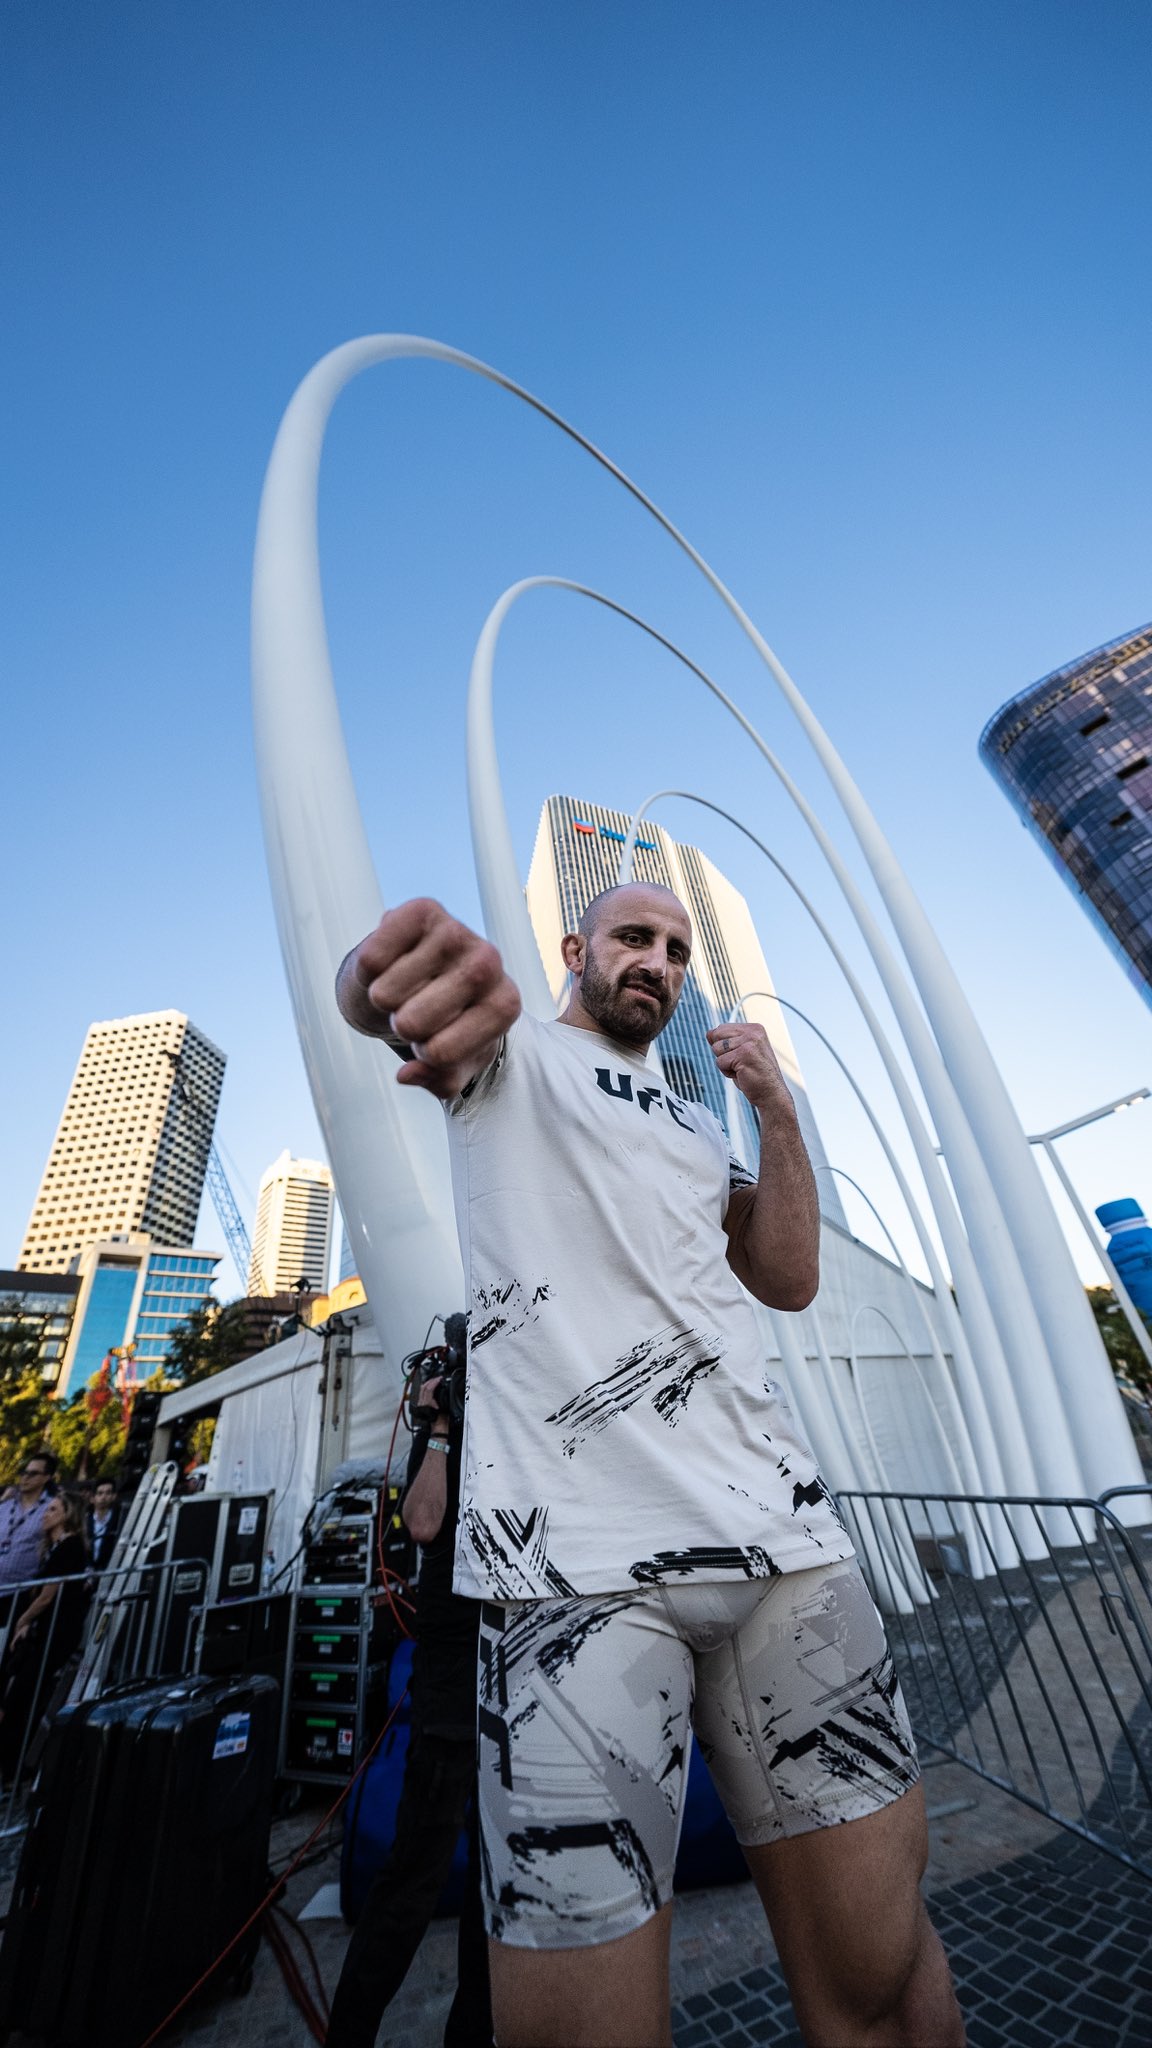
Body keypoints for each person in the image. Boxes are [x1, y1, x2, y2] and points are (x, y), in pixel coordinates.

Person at [336, 886, 963, 2048]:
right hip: (576, 1576)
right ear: (574, 952)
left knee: (882, 1977)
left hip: (784, 1546)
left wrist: (774, 1108)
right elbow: (389, 1004)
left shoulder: (691, 1118)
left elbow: (785, 1275)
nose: (658, 962)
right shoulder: (508, 1052)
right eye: (634, 938)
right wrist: (388, 980)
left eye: (677, 949)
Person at [326, 1352, 494, 2048]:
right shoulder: (440, 1428)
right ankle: (351, 2032)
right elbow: (422, 1524)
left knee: (495, 1882)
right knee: (415, 1871)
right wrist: (444, 1423)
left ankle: (472, 2036)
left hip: (514, 1670)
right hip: (453, 1675)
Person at [0, 1493, 90, 1778]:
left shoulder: (70, 1547)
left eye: (52, 1509)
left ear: (67, 1514)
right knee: (17, 1693)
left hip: (56, 1634)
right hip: (46, 1631)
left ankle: (14, 1769)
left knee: (21, 1696)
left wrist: (22, 1621)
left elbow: (47, 1596)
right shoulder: (55, 1547)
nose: (45, 1514)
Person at [0, 1452, 58, 1614]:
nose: (25, 1478)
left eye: (33, 1474)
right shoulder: (5, 1506)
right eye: (23, 1473)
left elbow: (61, 1544)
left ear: (47, 1477)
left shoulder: (51, 1509)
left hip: (20, 1593)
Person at [86, 1478, 122, 1571]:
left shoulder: (120, 1520)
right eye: (100, 1493)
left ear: (114, 1496)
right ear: (92, 1498)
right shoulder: (84, 1521)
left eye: (108, 1493)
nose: (104, 1497)